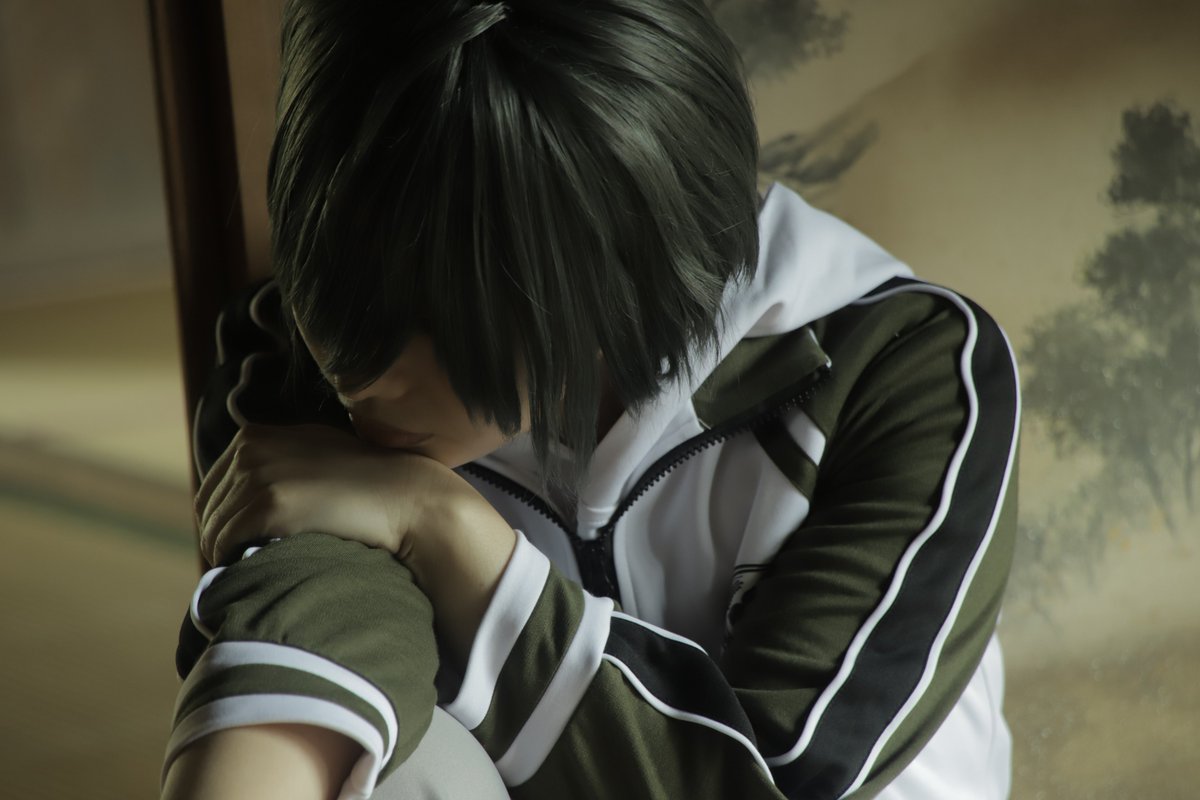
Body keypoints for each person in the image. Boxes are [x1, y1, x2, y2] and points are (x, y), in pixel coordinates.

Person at [160, 1, 1021, 798]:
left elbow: (781, 781)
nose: (356, 374)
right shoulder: (285, 354)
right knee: (382, 758)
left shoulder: (906, 372)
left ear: (606, 281)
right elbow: (304, 657)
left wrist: (439, 524)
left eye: (441, 319)